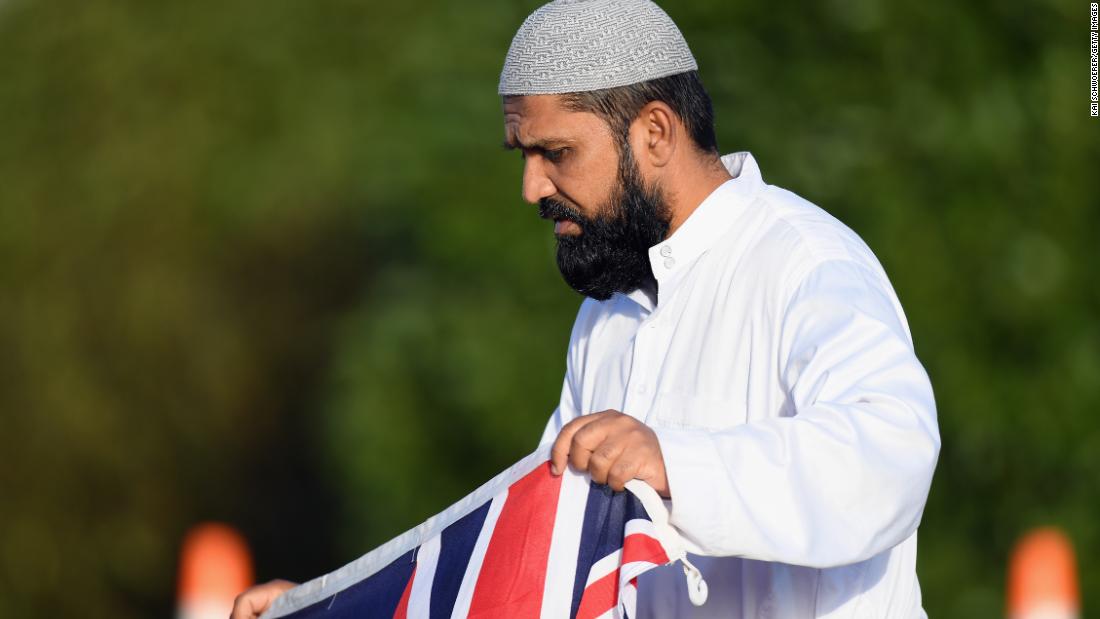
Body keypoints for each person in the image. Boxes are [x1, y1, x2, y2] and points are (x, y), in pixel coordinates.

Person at [233, 0, 940, 617]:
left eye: (556, 152)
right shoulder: (608, 316)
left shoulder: (804, 261)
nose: (532, 186)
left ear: (655, 133)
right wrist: (341, 607)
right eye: (523, 154)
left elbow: (891, 451)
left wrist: (675, 463)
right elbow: (536, 560)